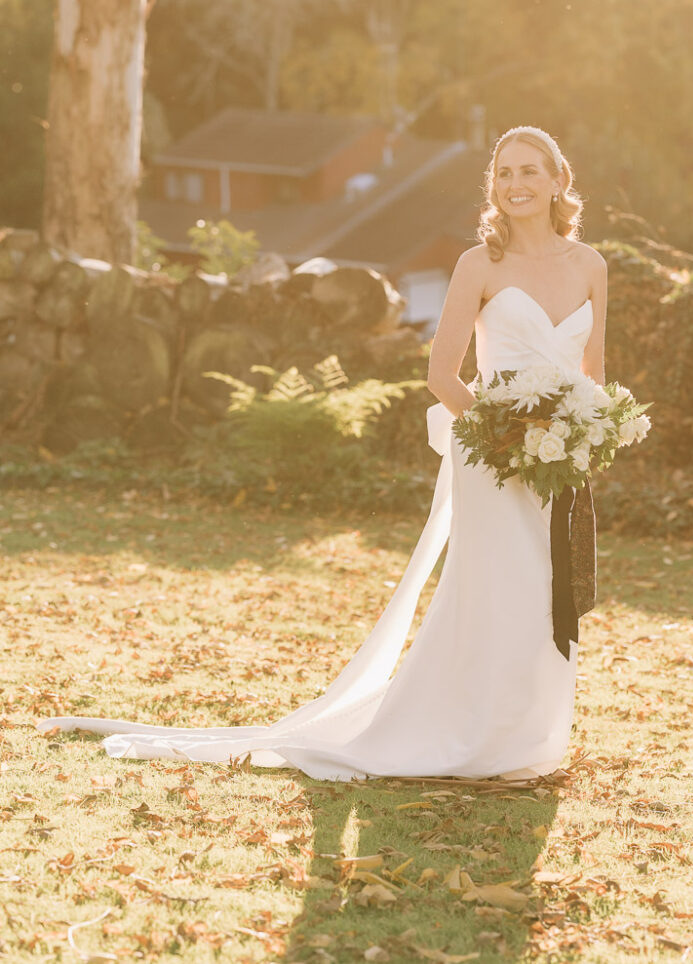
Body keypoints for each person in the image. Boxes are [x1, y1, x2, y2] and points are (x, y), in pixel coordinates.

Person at [37, 125, 608, 782]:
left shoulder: (590, 265)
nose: (516, 185)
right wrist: (505, 438)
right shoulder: (478, 265)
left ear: (559, 179)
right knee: (493, 595)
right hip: (491, 454)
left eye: (530, 171)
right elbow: (442, 375)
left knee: (545, 597)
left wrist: (581, 435)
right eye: (504, 173)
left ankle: (528, 739)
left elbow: (593, 375)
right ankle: (468, 734)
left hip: (559, 462)